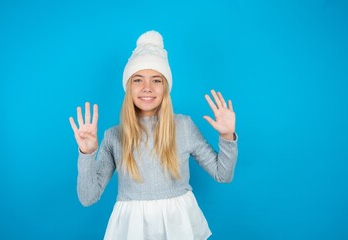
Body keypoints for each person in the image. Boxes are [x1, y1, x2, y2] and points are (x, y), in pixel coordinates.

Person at [69, 30, 238, 240]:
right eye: (138, 80)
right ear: (128, 87)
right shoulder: (114, 136)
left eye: (156, 80)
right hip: (132, 230)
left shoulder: (183, 126)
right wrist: (87, 153)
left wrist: (227, 136)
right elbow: (88, 197)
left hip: (179, 227)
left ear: (165, 87)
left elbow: (223, 175)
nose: (147, 88)